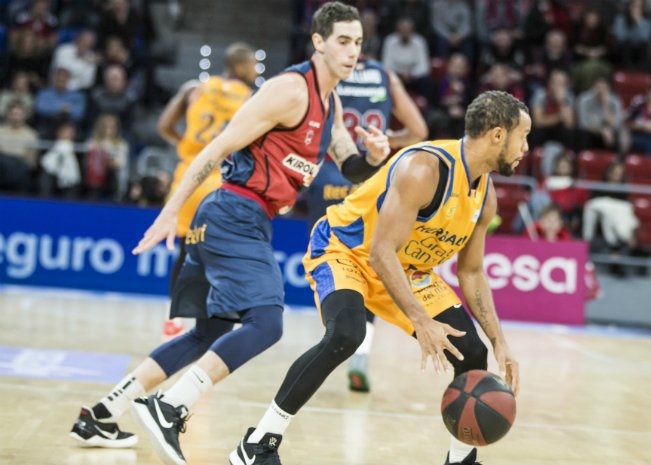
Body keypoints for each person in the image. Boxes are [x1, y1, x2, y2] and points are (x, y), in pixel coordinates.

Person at [68, 4, 391, 465]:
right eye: (343, 40)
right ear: (318, 42)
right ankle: (169, 406)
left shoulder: (332, 103)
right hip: (233, 211)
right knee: (267, 322)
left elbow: (350, 165)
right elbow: (217, 147)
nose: (352, 51)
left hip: (237, 215)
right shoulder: (289, 90)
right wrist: (170, 210)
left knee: (209, 332)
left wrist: (374, 157)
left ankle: (101, 414)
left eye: (358, 42)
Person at [228, 90, 525, 465]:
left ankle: (461, 461)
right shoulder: (425, 168)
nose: (526, 148)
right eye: (523, 136)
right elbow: (381, 253)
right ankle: (257, 444)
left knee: (473, 352)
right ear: (497, 135)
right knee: (346, 334)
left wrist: (499, 341)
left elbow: (471, 271)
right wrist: (420, 320)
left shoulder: (485, 196)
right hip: (346, 250)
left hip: (407, 268)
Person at [307, 53, 428, 392]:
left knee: (330, 261)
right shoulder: (386, 76)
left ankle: (335, 336)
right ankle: (359, 355)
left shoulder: (326, 73)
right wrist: (387, 141)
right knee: (371, 265)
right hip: (371, 179)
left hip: (329, 174)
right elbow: (418, 131)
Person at [156, 42, 257, 338]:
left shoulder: (193, 88)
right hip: (222, 180)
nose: (255, 70)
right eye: (253, 64)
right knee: (224, 251)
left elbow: (164, 125)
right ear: (241, 66)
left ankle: (173, 319)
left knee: (186, 251)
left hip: (188, 178)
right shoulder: (251, 98)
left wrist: (186, 146)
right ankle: (220, 314)